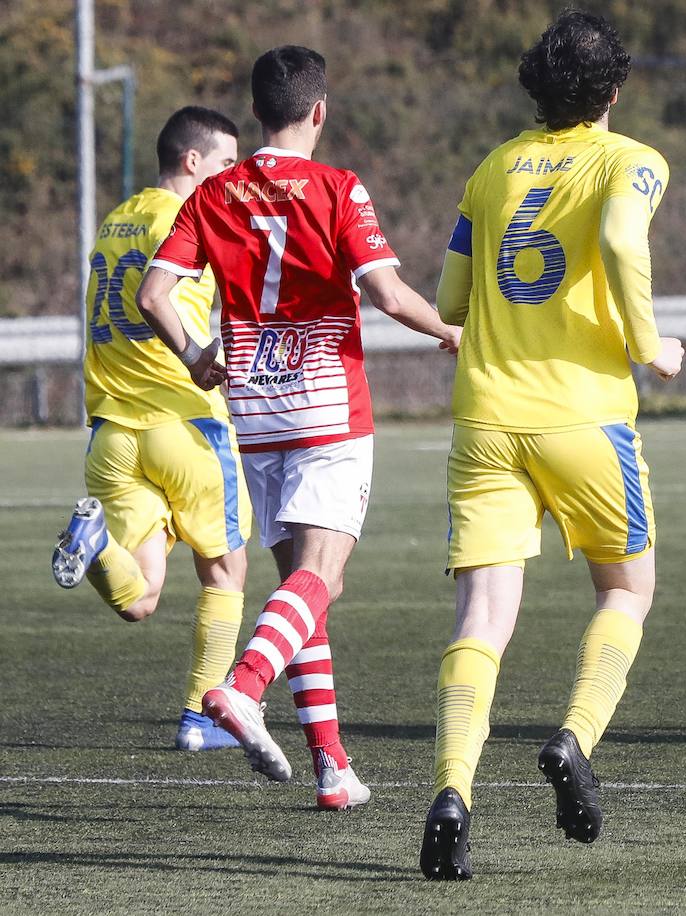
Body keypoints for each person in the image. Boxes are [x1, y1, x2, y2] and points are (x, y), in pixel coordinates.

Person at [136, 46, 461, 809]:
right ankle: (246, 686)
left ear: (255, 113)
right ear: (321, 110)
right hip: (325, 407)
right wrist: (452, 334)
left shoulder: (213, 194)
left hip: (252, 405)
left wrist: (195, 356)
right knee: (323, 577)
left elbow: (155, 294)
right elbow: (385, 292)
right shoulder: (339, 188)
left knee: (305, 589)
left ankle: (333, 768)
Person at [419, 10, 684, 881]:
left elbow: (451, 300)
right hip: (583, 417)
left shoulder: (491, 168)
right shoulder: (631, 158)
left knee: (482, 621)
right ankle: (574, 739)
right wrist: (650, 346)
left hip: (485, 419)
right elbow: (616, 236)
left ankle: (453, 793)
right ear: (614, 89)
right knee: (628, 588)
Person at [52, 106, 247, 753]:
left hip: (112, 435)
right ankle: (200, 718)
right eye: (224, 164)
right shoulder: (195, 218)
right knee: (225, 573)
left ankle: (94, 542)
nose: (231, 176)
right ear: (193, 161)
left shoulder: (115, 220)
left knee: (139, 597)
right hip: (182, 424)